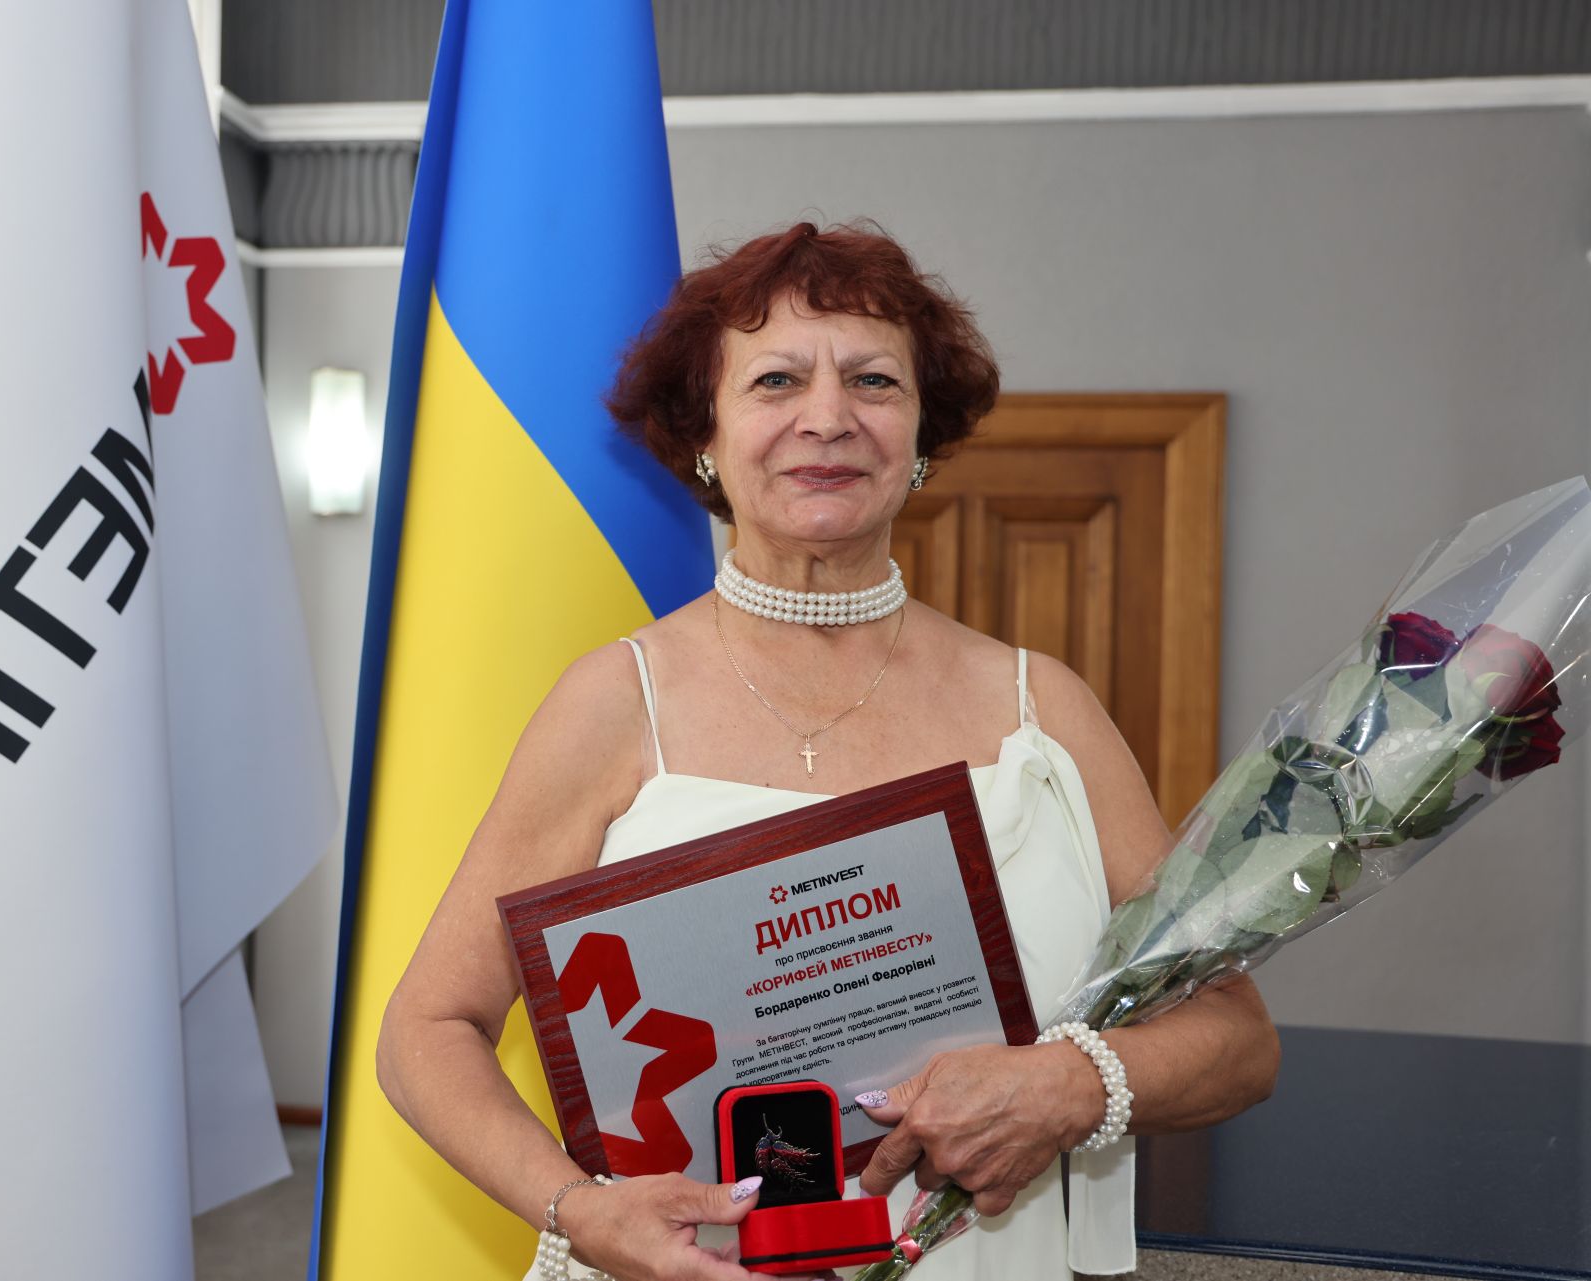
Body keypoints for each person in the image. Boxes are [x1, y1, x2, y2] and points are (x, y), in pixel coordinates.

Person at [376, 222, 1280, 1281]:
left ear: (921, 434)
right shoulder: (613, 704)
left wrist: (1067, 1085)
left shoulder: (1044, 713)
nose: (828, 416)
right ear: (704, 435)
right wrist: (579, 1208)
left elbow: (1239, 1037)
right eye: (775, 379)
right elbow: (425, 1030)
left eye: (872, 380)